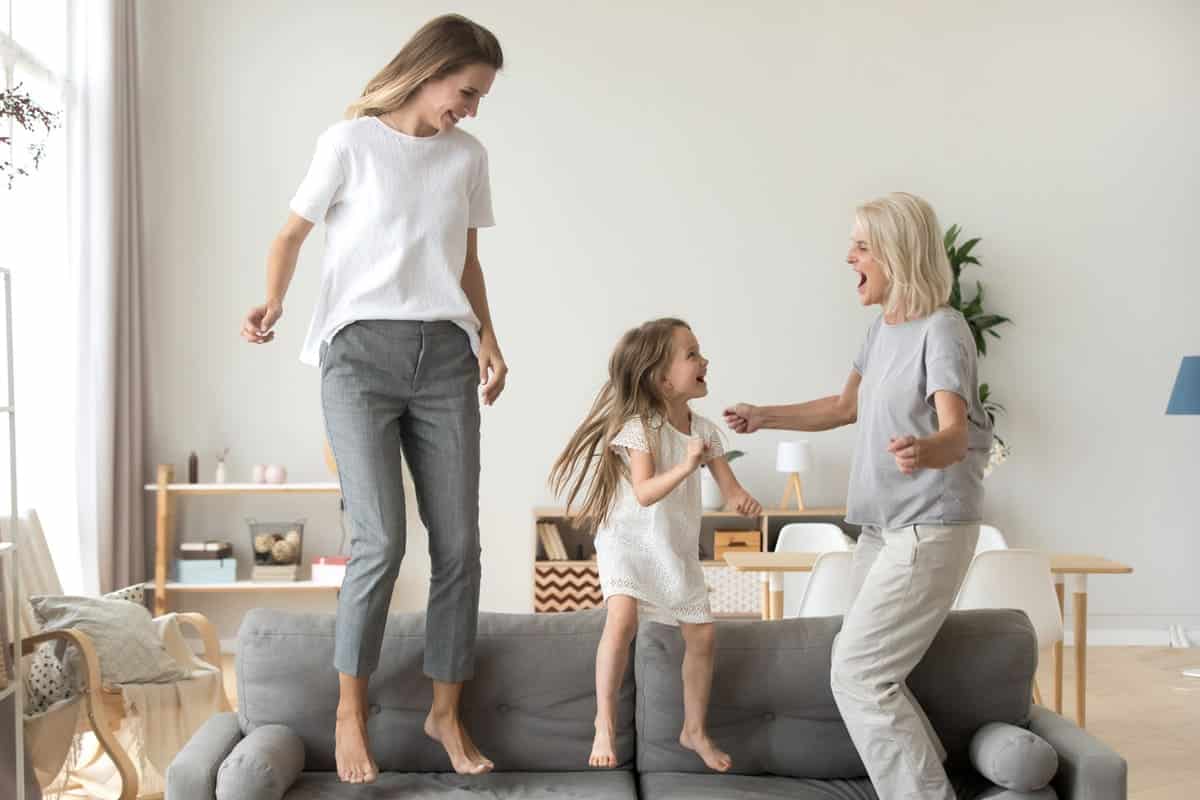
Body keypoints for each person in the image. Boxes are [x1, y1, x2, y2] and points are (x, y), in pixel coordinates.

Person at [240, 14, 507, 784]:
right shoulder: (349, 143)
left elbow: (468, 261)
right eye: (467, 91)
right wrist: (273, 301)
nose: (473, 108)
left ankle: (444, 711)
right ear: (430, 71)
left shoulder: (468, 157)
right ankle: (348, 709)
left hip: (446, 358)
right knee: (380, 539)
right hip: (357, 356)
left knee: (460, 544)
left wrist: (489, 338)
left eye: (482, 97)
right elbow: (289, 236)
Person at [725, 193, 993, 799]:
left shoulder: (943, 328)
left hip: (930, 528)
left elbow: (955, 432)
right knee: (869, 673)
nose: (849, 257)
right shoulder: (881, 329)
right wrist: (764, 415)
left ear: (899, 253)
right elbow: (843, 406)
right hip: (881, 528)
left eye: (862, 246)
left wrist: (926, 451)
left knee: (860, 674)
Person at [551, 318, 762, 772]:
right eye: (692, 354)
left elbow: (728, 485)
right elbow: (644, 492)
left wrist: (741, 498)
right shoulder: (639, 426)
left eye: (700, 352)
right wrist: (687, 466)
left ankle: (694, 730)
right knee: (622, 616)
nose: (705, 361)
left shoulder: (704, 430)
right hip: (627, 537)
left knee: (703, 635)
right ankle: (604, 724)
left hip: (673, 544)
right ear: (662, 378)